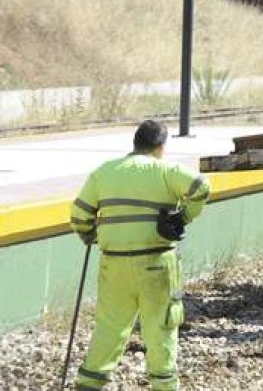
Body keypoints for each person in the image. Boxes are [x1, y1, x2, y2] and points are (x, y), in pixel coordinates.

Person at [68, 120, 210, 391]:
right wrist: (183, 217)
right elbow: (201, 187)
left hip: (114, 262)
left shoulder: (104, 172)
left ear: (135, 143)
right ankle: (164, 386)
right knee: (161, 328)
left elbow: (79, 215)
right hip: (157, 263)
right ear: (161, 147)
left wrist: (91, 235)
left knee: (110, 326)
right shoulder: (166, 171)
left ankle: (88, 384)